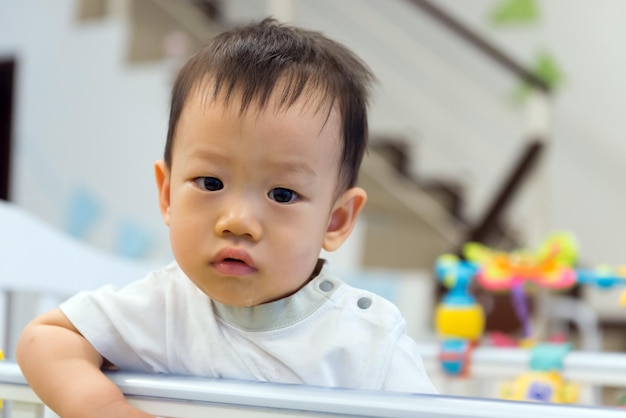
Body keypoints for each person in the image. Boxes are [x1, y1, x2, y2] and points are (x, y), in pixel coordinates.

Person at [16, 18, 436, 418]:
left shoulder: (366, 340)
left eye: (282, 194)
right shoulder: (162, 308)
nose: (237, 221)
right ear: (166, 194)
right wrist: (107, 409)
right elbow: (45, 340)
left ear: (335, 220)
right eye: (210, 183)